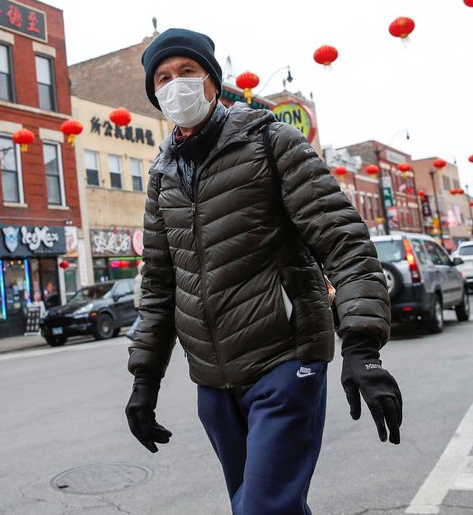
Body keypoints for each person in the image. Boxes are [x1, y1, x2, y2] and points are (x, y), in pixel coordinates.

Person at [125, 28, 402, 514]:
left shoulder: (271, 141)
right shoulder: (162, 174)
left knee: (261, 510)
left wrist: (362, 346)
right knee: (262, 505)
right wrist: (144, 382)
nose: (176, 85)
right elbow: (158, 288)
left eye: (187, 71)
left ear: (213, 80)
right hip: (213, 381)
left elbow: (344, 240)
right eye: (163, 78)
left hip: (284, 359)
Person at [126, 261, 145, 340]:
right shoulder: (141, 278)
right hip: (140, 302)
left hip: (137, 302)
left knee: (141, 318)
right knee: (140, 318)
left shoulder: (137, 278)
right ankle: (131, 332)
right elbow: (142, 291)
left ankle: (137, 334)